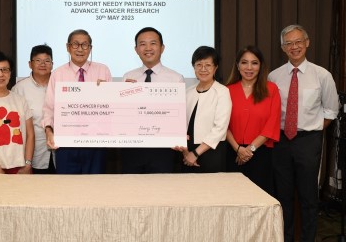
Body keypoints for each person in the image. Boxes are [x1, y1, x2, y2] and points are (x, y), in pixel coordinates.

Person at [268, 24, 339, 242]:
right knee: (283, 196)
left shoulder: (322, 75)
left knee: (309, 198)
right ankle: (286, 238)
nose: (294, 46)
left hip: (308, 141)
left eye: (298, 41)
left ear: (307, 43)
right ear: (282, 48)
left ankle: (308, 239)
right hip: (280, 141)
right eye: (289, 43)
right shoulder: (273, 76)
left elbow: (331, 110)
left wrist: (313, 129)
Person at [43, 29, 112, 174]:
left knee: (95, 188)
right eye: (75, 44)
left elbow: (112, 107)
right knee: (67, 189)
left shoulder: (103, 71)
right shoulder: (58, 74)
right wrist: (49, 131)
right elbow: (49, 108)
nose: (80, 49)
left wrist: (110, 92)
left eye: (85, 45)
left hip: (96, 143)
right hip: (66, 144)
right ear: (68, 47)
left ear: (90, 48)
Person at [121, 27, 185, 173]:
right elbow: (123, 113)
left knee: (160, 192)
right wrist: (124, 94)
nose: (148, 48)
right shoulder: (127, 77)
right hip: (132, 147)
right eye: (142, 44)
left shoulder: (175, 78)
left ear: (162, 48)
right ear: (136, 49)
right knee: (131, 190)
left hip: (162, 149)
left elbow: (178, 115)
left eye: (153, 43)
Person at [225, 46, 281, 195]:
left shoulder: (272, 89)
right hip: (232, 153)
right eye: (244, 62)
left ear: (261, 65)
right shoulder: (226, 90)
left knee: (259, 199)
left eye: (254, 63)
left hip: (260, 154)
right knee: (234, 197)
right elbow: (221, 124)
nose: (249, 67)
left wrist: (249, 150)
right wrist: (238, 149)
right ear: (237, 65)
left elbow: (272, 123)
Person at [178, 46, 232, 173]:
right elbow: (181, 124)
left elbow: (220, 128)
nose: (203, 69)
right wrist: (186, 152)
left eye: (208, 65)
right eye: (199, 65)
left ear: (215, 68)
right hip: (187, 152)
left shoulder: (222, 92)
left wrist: (195, 154)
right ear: (194, 67)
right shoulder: (187, 92)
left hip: (211, 151)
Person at [12, 45, 56, 174]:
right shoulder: (19, 89)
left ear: (52, 64)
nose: (43, 64)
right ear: (30, 64)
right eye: (38, 60)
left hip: (61, 152)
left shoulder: (60, 85)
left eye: (47, 60)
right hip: (33, 154)